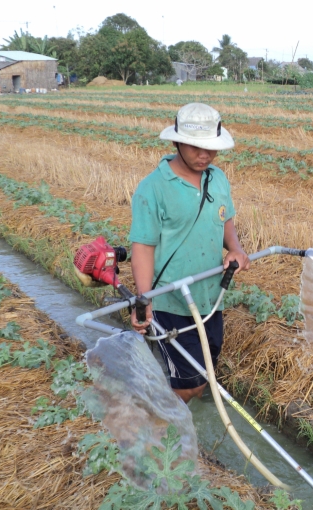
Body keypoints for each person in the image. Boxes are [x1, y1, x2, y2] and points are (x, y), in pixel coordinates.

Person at [129, 103, 250, 403]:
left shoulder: (217, 178)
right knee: (189, 384)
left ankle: (166, 413)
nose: (204, 155)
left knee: (204, 372)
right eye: (196, 147)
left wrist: (235, 249)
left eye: (210, 148)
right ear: (176, 142)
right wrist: (143, 300)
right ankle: (159, 430)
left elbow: (226, 221)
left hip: (210, 298)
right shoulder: (154, 188)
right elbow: (143, 248)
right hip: (171, 302)